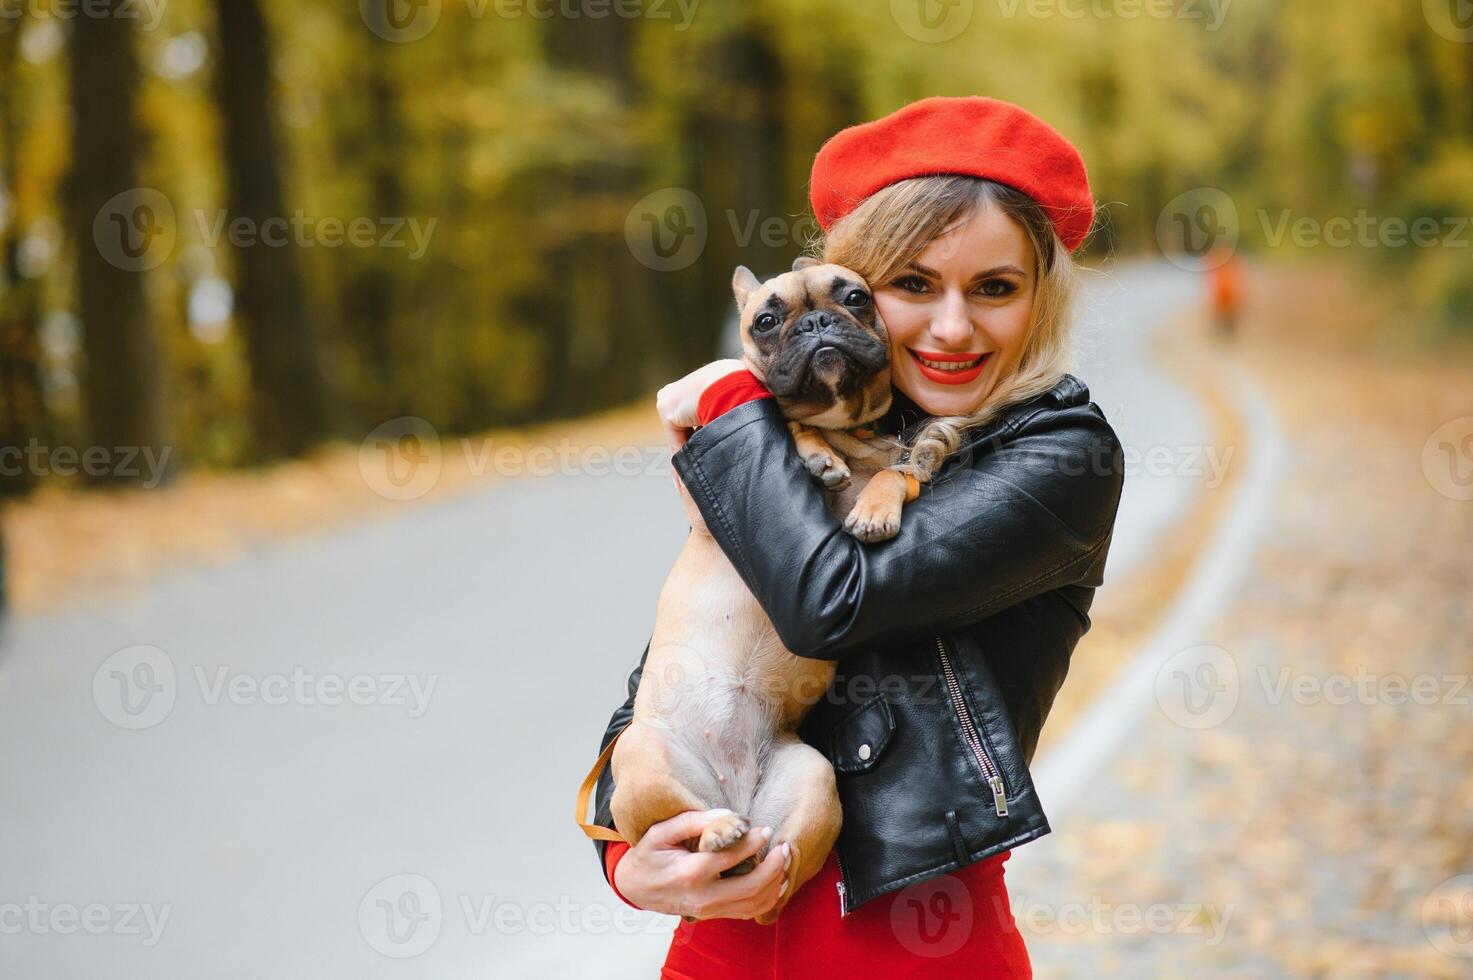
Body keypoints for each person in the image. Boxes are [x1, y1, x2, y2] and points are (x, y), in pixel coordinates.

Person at [584, 96, 1125, 977]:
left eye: (994, 287)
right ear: (859, 297)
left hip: (915, 945)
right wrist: (628, 857)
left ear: (1040, 300)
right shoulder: (799, 442)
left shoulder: (1061, 456)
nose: (952, 328)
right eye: (913, 285)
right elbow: (667, 679)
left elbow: (829, 602)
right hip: (724, 944)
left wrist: (732, 404)